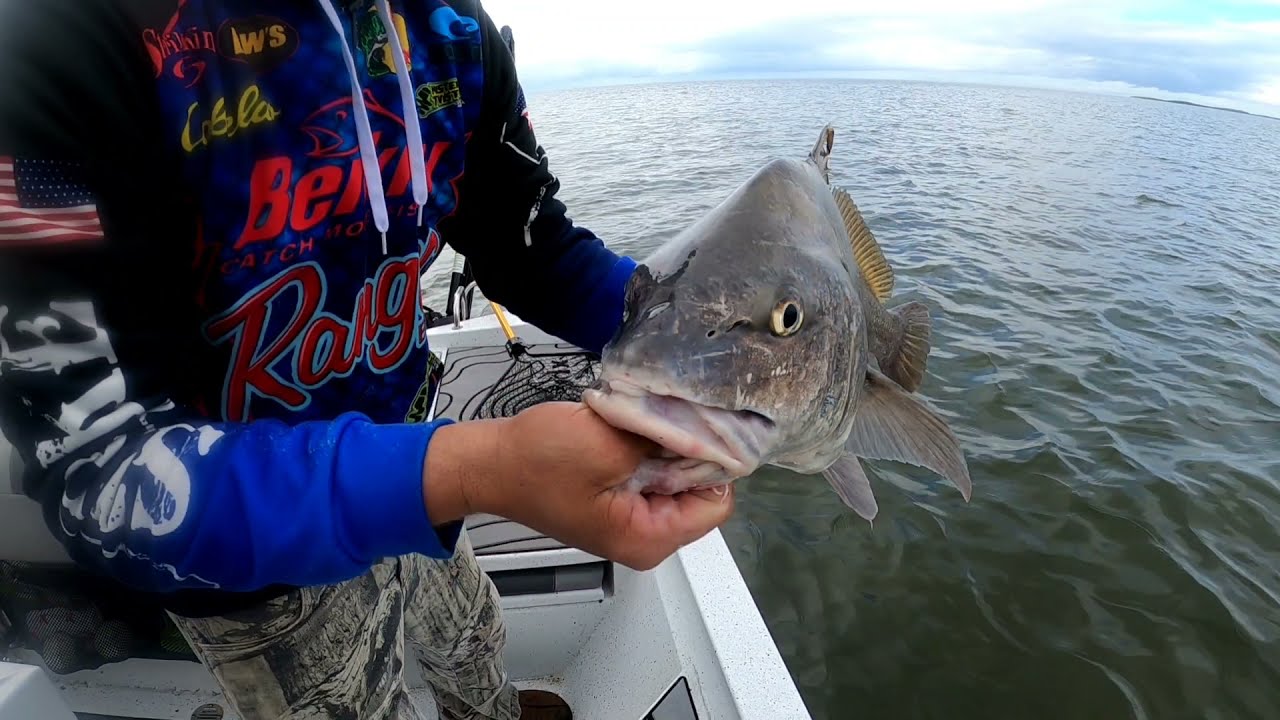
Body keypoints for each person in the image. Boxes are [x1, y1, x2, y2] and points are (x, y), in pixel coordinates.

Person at [0, 0, 736, 718]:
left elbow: (536, 251)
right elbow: (99, 470)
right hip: (252, 556)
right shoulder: (57, 37)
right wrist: (488, 468)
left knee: (476, 641)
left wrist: (714, 349)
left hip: (420, 455)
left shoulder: (450, 27)